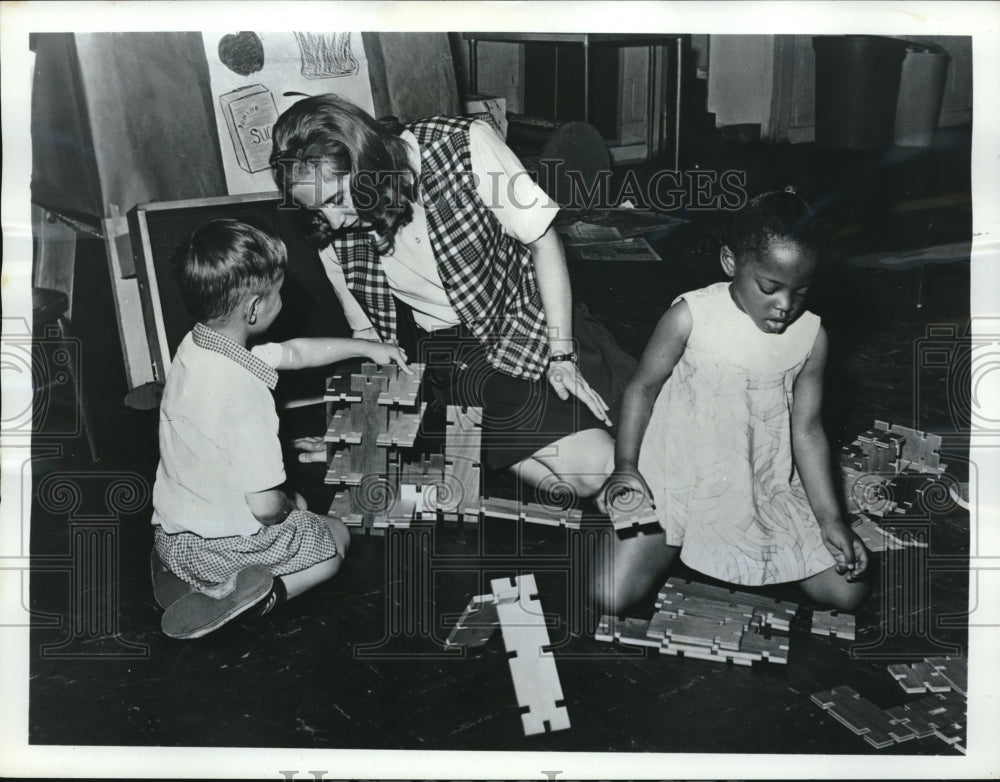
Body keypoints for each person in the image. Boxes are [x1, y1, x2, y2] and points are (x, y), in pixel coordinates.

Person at [269, 94, 614, 501]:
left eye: (336, 199)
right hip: (456, 355)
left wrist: (561, 356)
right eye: (316, 210)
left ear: (366, 161)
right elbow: (370, 341)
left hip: (527, 321)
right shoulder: (334, 233)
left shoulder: (465, 144)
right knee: (591, 474)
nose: (332, 221)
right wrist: (357, 442)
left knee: (607, 465)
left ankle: (463, 441)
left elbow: (543, 241)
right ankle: (464, 437)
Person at [597, 189, 869, 615]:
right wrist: (626, 466)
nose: (785, 305)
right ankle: (663, 542)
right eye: (770, 287)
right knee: (610, 595)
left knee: (847, 593)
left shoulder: (812, 336)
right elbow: (642, 389)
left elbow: (808, 430)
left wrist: (831, 518)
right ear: (731, 263)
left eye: (801, 291)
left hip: (758, 484)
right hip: (676, 482)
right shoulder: (690, 315)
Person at [150, 218, 410, 639]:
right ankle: (258, 598)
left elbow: (292, 353)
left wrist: (367, 346)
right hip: (229, 546)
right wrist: (292, 510)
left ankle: (185, 574)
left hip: (176, 537)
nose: (283, 300)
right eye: (278, 294)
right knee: (334, 539)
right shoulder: (245, 396)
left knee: (300, 505)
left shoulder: (198, 346)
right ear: (254, 309)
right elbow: (267, 507)